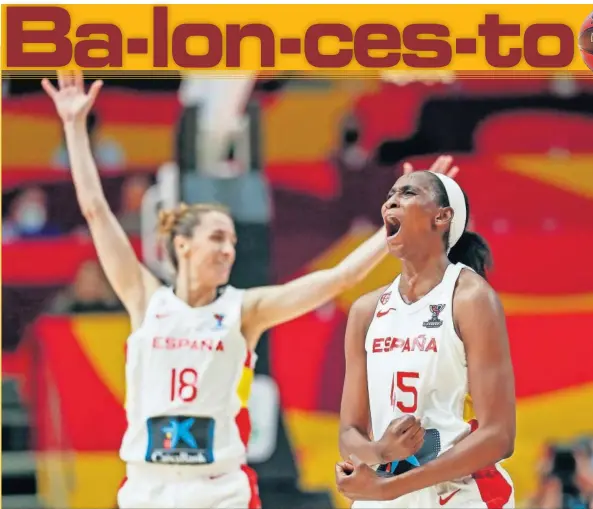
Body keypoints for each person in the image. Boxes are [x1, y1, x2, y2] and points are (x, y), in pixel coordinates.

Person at [41, 71, 457, 509]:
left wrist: (398, 224)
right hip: (150, 490)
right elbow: (94, 210)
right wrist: (73, 126)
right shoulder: (146, 300)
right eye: (216, 238)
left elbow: (339, 278)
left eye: (233, 242)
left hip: (219, 491)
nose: (228, 250)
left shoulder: (245, 309)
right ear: (181, 244)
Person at [336, 158, 516, 508]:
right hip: (385, 492)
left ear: (442, 217)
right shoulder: (365, 311)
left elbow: (499, 436)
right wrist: (378, 451)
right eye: (390, 195)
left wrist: (390, 487)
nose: (390, 201)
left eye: (407, 193)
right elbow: (349, 432)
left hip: (456, 492)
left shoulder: (471, 297)